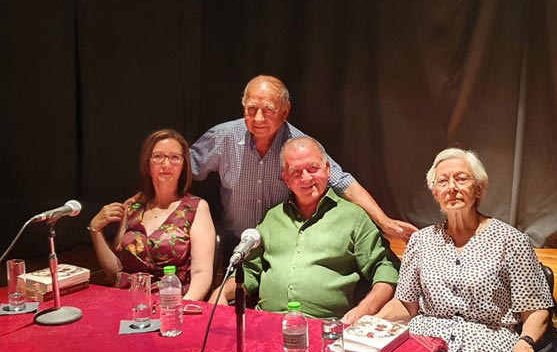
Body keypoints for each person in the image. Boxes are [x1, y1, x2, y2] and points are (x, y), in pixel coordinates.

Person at [376, 148, 553, 352]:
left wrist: (525, 343)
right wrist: (368, 324)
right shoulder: (420, 242)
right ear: (435, 192)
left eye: (461, 179)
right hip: (425, 349)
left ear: (478, 189)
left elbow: (536, 310)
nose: (452, 187)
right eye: (443, 181)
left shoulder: (511, 241)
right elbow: (405, 305)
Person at [190, 75, 417, 258]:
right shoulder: (223, 137)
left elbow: (342, 182)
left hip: (283, 248)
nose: (258, 118)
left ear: (285, 111)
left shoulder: (300, 145)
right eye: (251, 109)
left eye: (268, 110)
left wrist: (385, 222)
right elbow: (182, 170)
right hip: (236, 243)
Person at [209, 136, 400, 323]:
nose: (306, 178)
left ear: (327, 169)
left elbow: (385, 269)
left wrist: (362, 311)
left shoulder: (354, 217)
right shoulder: (272, 218)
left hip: (326, 326)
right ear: (285, 178)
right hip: (266, 322)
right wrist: (222, 293)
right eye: (296, 172)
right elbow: (249, 271)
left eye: (313, 168)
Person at [88, 129, 216, 301]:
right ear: (147, 163)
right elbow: (117, 273)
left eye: (174, 157)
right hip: (127, 301)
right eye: (158, 156)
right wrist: (95, 231)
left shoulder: (195, 208)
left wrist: (181, 307)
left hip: (172, 302)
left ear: (183, 165)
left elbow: (201, 273)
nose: (166, 164)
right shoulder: (132, 207)